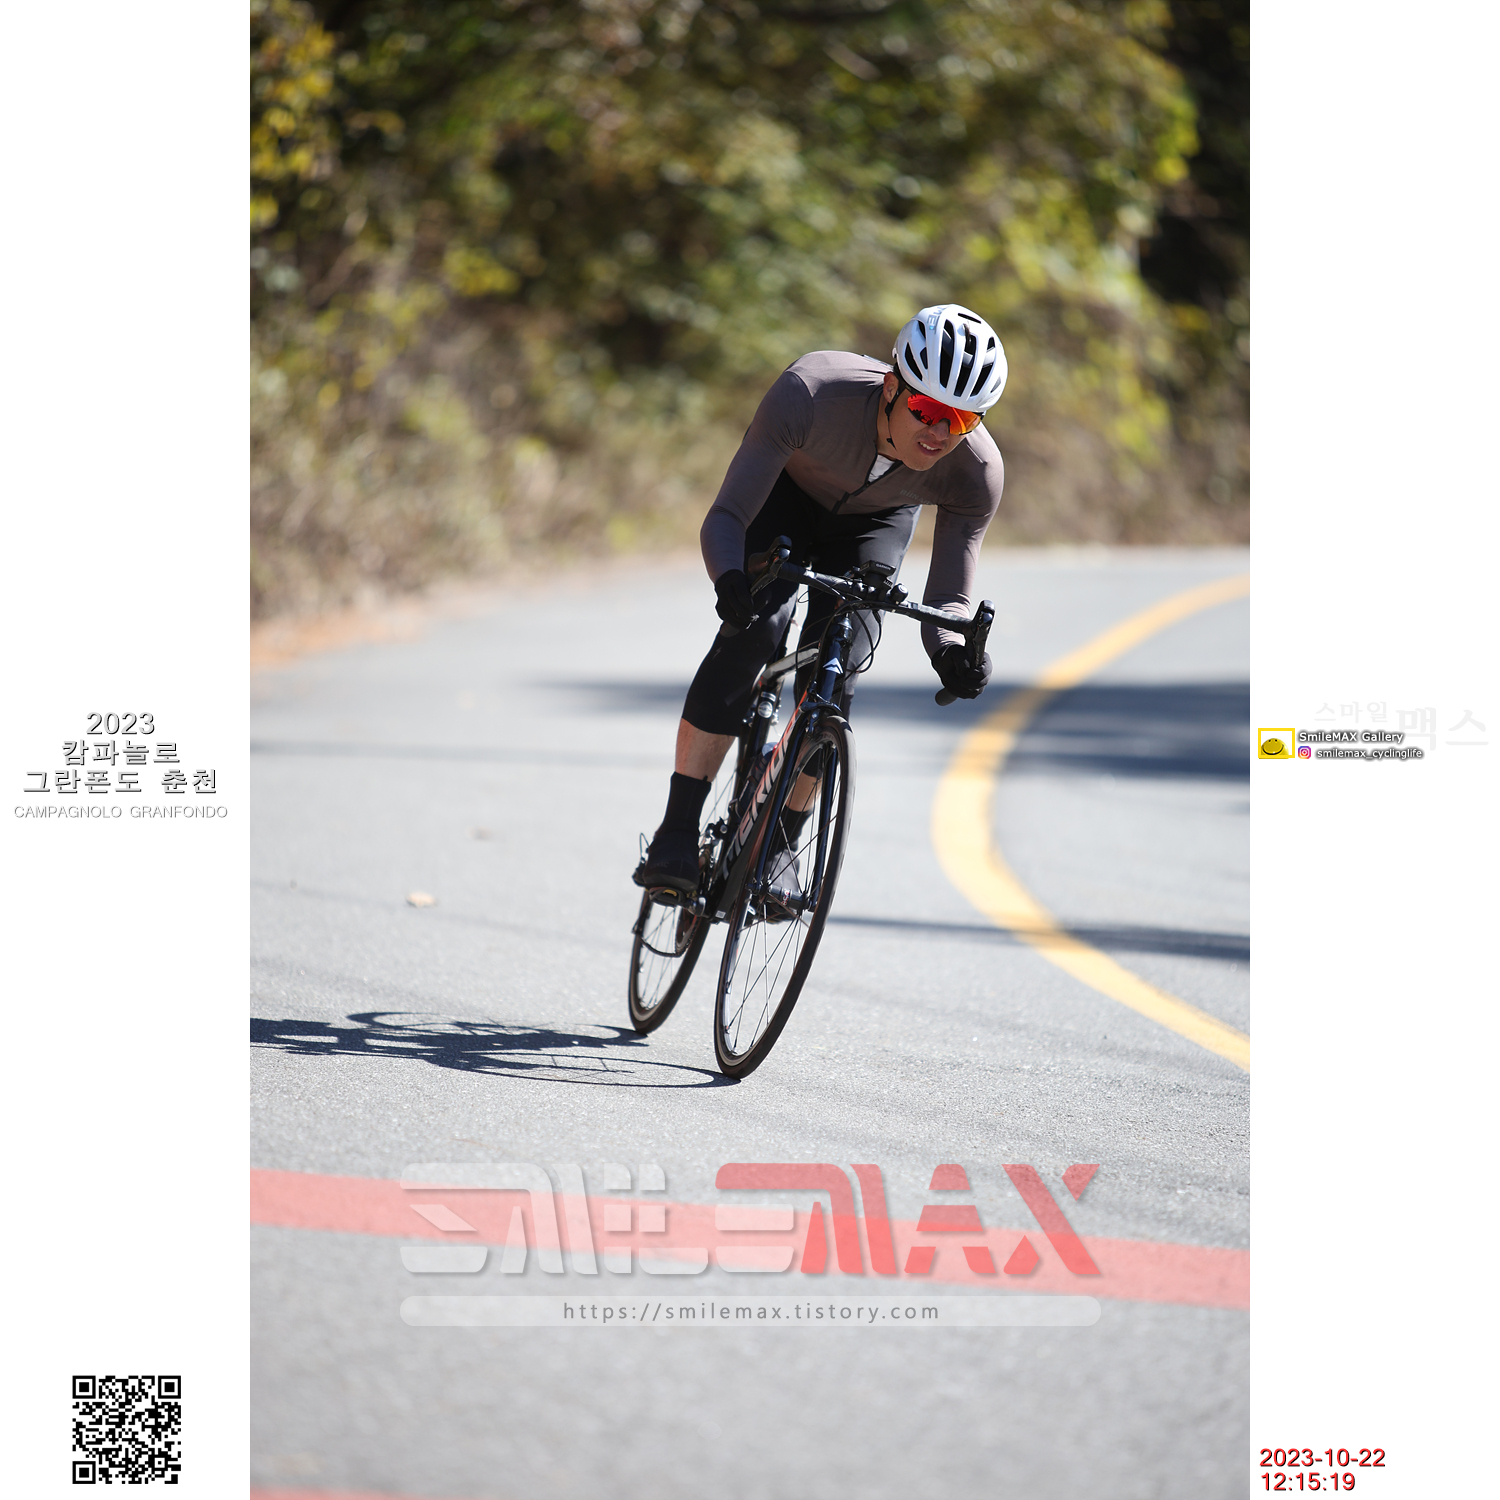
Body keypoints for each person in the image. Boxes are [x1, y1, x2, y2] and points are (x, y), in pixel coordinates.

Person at [633, 302, 1008, 897]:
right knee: (757, 628)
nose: (939, 433)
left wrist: (951, 651)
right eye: (927, 410)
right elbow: (727, 515)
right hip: (783, 498)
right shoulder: (811, 393)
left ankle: (784, 841)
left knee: (841, 661)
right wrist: (729, 580)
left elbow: (949, 598)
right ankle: (677, 829)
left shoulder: (976, 472)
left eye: (961, 420)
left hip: (875, 525)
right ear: (892, 386)